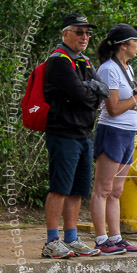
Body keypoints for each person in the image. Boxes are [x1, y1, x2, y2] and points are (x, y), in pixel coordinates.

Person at [41, 14, 111, 259]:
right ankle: (52, 241)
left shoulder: (84, 61)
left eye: (87, 33)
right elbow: (82, 95)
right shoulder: (58, 61)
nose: (85, 37)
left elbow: (102, 91)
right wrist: (89, 92)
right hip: (63, 133)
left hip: (84, 133)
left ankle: (71, 238)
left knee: (77, 190)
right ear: (65, 34)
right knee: (60, 188)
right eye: (79, 32)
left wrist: (88, 92)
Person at [90, 23, 137, 255]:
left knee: (117, 190)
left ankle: (116, 237)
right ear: (123, 45)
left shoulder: (127, 68)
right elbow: (112, 109)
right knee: (103, 188)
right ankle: (101, 239)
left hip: (128, 133)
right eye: (135, 41)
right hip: (112, 132)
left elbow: (128, 102)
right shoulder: (109, 69)